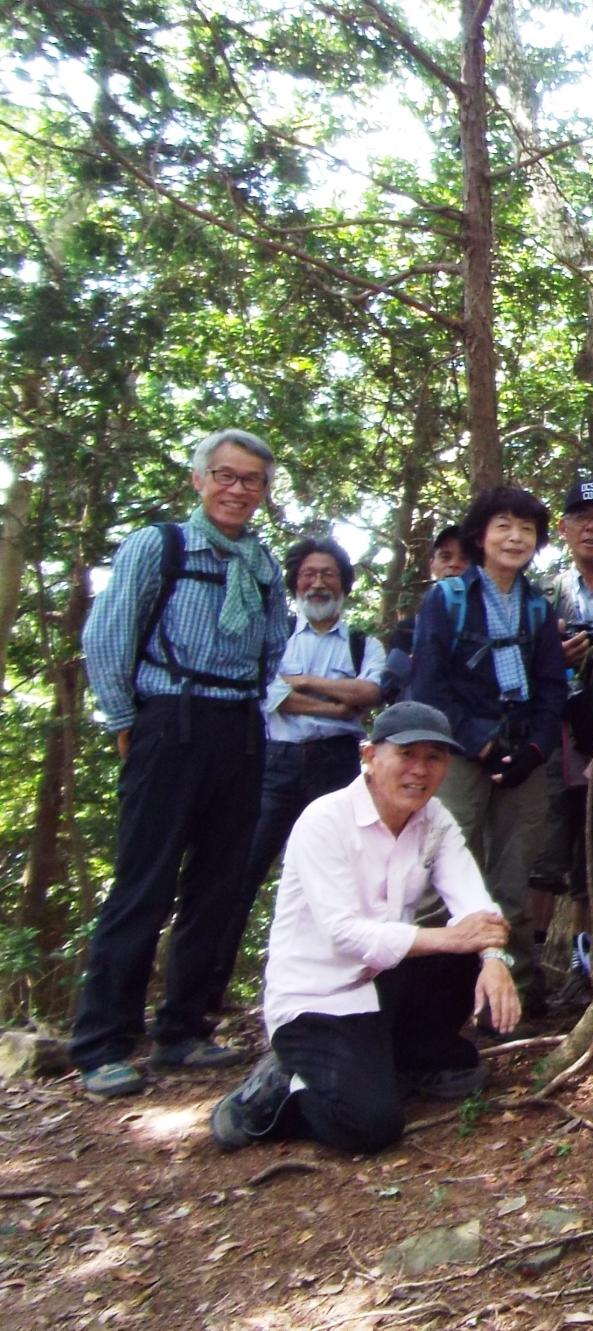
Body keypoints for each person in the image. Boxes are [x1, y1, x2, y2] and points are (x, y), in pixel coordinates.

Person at [72, 428, 293, 1097]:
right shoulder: (159, 544)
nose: (236, 489)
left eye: (250, 479)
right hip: (171, 718)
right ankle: (101, 1041)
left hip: (241, 726)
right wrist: (123, 721)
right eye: (224, 475)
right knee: (144, 881)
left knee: (220, 885)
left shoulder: (261, 561)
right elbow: (107, 634)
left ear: (263, 491)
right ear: (199, 480)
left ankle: (183, 1029)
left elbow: (275, 641)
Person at [208, 702, 521, 1154]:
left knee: (464, 963)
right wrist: (456, 937)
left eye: (433, 758)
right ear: (370, 756)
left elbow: (473, 901)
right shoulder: (325, 820)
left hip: (384, 984)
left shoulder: (435, 819)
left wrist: (493, 958)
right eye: (407, 754)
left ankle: (409, 1061)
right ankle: (278, 1094)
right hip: (318, 998)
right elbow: (345, 935)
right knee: (370, 1124)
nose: (420, 770)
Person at [408, 486, 567, 998]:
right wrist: (478, 741)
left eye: (526, 529)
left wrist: (534, 751)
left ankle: (514, 988)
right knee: (442, 876)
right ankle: (434, 993)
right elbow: (429, 685)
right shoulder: (448, 600)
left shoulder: (537, 608)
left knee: (513, 881)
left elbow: (551, 687)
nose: (515, 537)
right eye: (503, 525)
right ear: (480, 535)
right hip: (457, 757)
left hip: (524, 760)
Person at [240, 538, 388, 926]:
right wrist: (335, 706)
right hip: (277, 763)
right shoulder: (276, 635)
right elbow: (270, 693)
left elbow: (371, 691)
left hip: (337, 765)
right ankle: (207, 982)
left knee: (337, 878)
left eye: (328, 574)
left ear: (343, 584)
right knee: (242, 871)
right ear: (295, 583)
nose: (318, 583)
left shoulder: (363, 644)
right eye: (308, 574)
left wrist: (303, 680)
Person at [525, 479, 593, 1008]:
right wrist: (553, 657)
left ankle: (589, 972)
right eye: (581, 518)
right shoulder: (542, 596)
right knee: (543, 858)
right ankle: (534, 970)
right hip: (555, 737)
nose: (591, 527)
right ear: (562, 529)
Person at [382, 523, 470, 705]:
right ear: (432, 564)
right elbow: (390, 686)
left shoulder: (493, 627)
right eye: (445, 557)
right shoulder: (408, 629)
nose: (454, 564)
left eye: (465, 558)